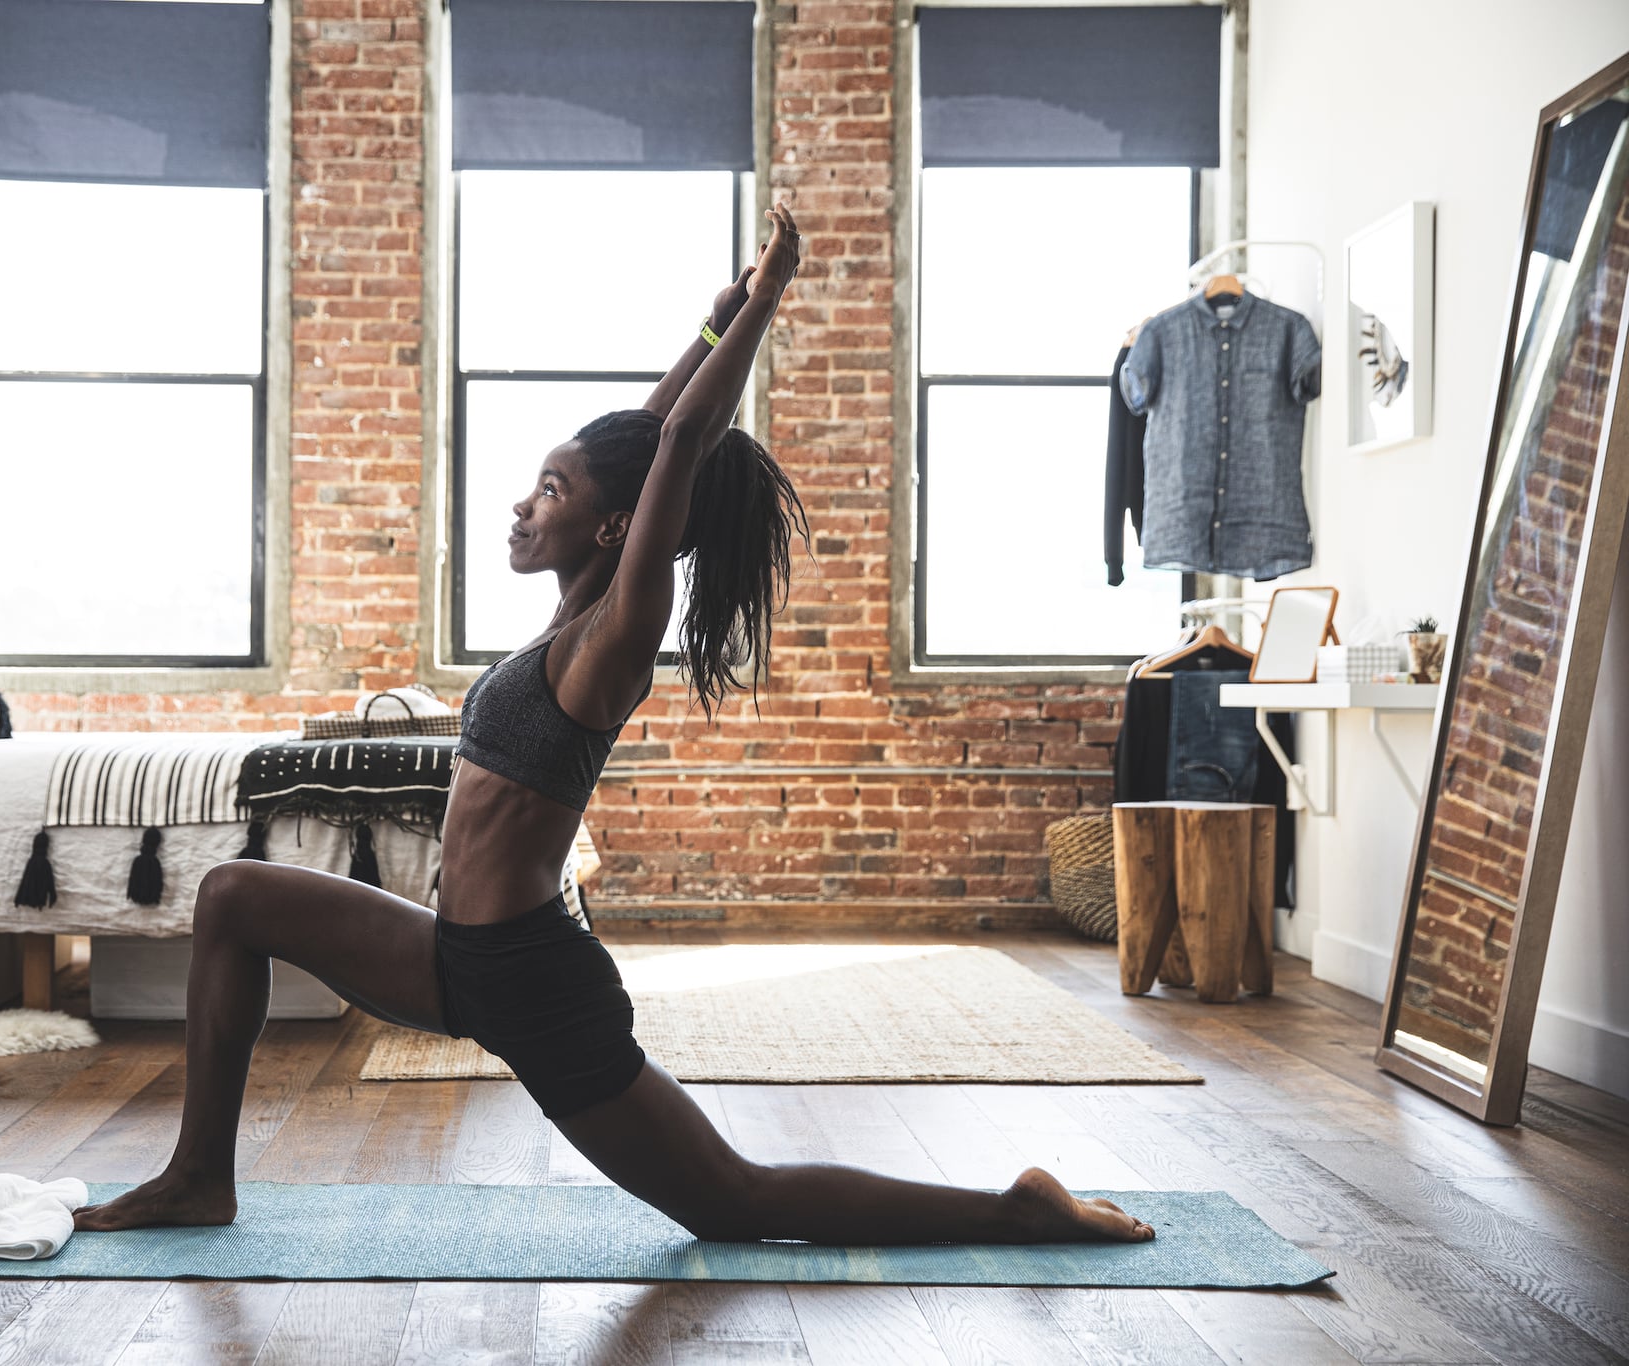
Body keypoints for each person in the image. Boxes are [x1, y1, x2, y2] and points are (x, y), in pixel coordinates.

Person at [76, 204, 1154, 1247]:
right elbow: (649, 436)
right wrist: (705, 317)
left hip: (531, 982)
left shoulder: (617, 635)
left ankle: (1013, 1209)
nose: (521, 505)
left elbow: (678, 440)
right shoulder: (575, 608)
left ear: (608, 525)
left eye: (547, 490)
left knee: (733, 1204)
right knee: (232, 896)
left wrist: (764, 304)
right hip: (458, 954)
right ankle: (197, 1178)